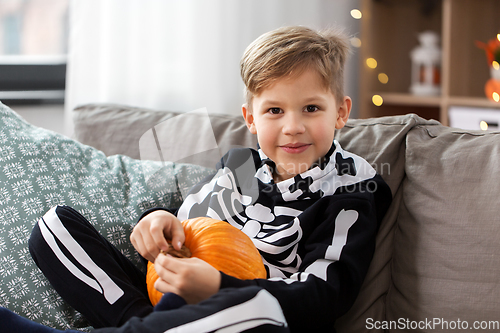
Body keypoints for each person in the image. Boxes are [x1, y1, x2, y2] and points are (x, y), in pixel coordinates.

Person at [1, 25, 392, 332]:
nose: (292, 127)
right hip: (173, 299)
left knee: (251, 313)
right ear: (251, 118)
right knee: (52, 228)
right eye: (274, 110)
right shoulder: (241, 166)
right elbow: (194, 223)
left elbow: (325, 295)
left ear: (340, 113)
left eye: (310, 108)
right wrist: (156, 220)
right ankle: (150, 325)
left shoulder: (351, 190)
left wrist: (219, 288)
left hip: (255, 316)